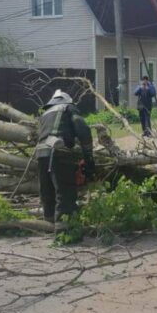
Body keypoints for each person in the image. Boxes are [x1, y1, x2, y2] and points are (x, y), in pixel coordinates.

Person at [35, 90, 95, 223]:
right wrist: (89, 157)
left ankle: (49, 224)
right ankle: (64, 230)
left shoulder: (45, 114)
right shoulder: (68, 108)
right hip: (59, 152)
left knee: (47, 193)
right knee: (65, 192)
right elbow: (83, 130)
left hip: (40, 154)